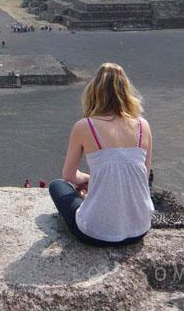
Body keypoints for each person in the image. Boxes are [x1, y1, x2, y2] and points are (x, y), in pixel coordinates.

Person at [49, 62, 154, 247]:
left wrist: (90, 180)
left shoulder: (84, 126)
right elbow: (143, 176)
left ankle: (87, 200)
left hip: (96, 234)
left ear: (93, 91)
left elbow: (68, 175)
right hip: (139, 228)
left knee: (57, 186)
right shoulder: (142, 126)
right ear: (126, 91)